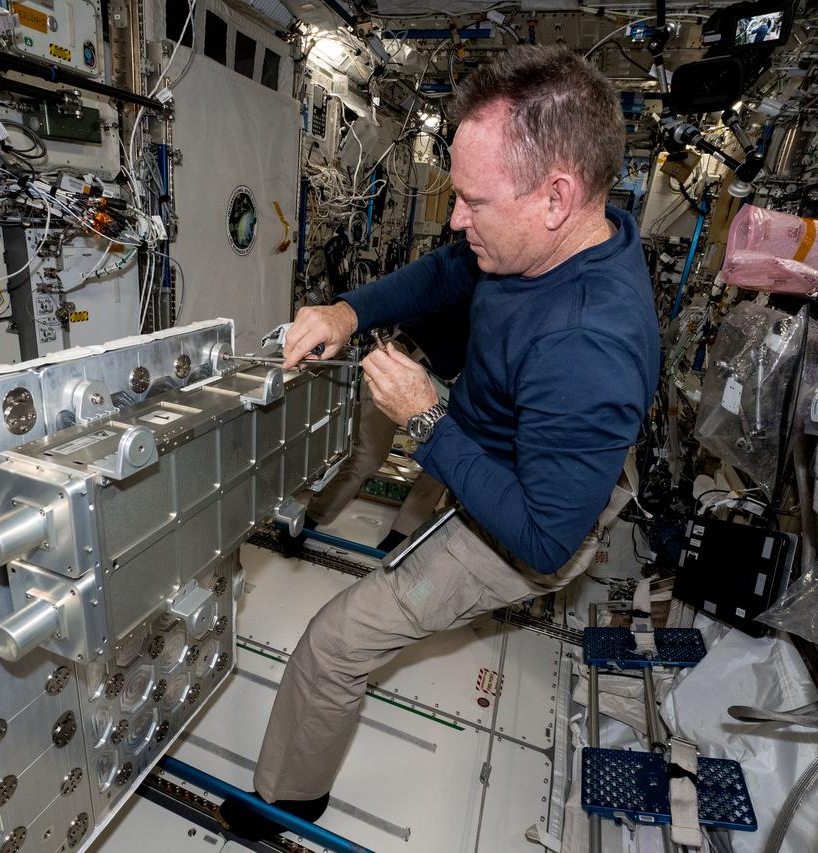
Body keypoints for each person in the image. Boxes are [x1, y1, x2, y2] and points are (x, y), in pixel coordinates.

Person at [219, 45, 660, 840]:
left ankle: (285, 803)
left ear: (555, 196)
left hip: (527, 511)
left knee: (334, 643)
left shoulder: (591, 344)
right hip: (498, 440)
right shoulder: (547, 238)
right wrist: (346, 311)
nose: (457, 218)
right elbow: (449, 272)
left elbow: (544, 537)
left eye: (472, 200)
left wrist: (426, 419)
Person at [297, 306, 468, 555]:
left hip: (442, 383)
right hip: (401, 361)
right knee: (368, 456)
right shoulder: (466, 282)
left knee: (442, 462)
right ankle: (309, 521)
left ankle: (400, 536)